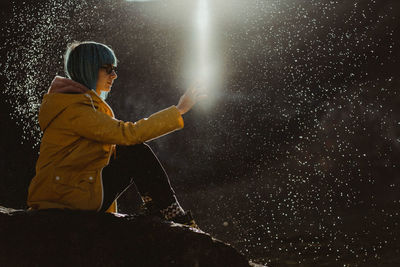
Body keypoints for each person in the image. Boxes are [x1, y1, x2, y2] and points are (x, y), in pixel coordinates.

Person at [27, 41, 205, 227]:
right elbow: (128, 134)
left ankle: (160, 207)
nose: (114, 75)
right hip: (68, 197)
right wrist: (179, 110)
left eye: (114, 69)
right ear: (89, 69)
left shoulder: (74, 105)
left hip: (66, 191)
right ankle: (172, 213)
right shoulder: (75, 110)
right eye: (108, 69)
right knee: (133, 150)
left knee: (129, 151)